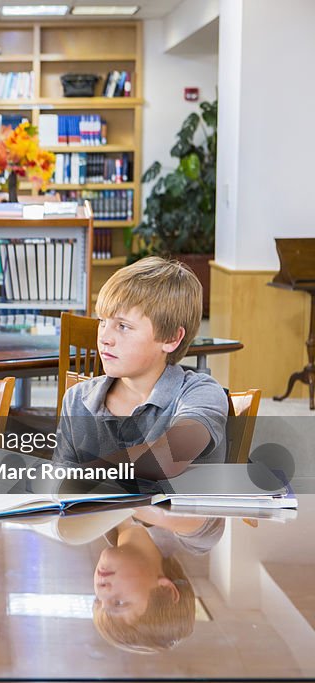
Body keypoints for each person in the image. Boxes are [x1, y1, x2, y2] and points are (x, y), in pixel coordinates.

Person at [54, 257, 228, 481]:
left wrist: (80, 475)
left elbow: (165, 459)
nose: (104, 337)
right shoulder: (77, 399)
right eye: (102, 321)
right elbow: (58, 487)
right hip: (102, 516)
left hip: (177, 515)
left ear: (172, 338)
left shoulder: (200, 393)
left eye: (123, 326)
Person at [93, 506, 224, 652]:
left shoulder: (85, 522)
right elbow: (184, 516)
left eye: (98, 600)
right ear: (166, 590)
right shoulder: (198, 538)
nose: (101, 590)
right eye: (119, 602)